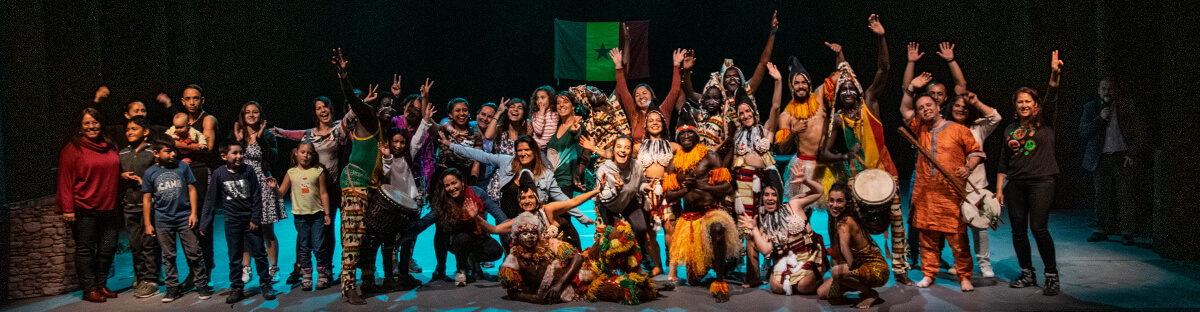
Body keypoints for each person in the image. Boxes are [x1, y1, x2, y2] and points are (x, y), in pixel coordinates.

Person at [818, 14, 912, 285]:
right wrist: (845, 155)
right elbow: (824, 154)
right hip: (855, 178)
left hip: (886, 172)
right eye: (842, 90)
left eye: (851, 88)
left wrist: (881, 37)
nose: (847, 91)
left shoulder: (870, 102)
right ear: (837, 96)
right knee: (854, 224)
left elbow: (883, 70)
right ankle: (860, 265)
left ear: (859, 91)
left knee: (896, 222)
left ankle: (901, 269)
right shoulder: (838, 119)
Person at [900, 88, 985, 291]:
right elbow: (904, 109)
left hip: (951, 194)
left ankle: (965, 276)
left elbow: (976, 152)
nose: (925, 109)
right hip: (925, 194)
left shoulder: (958, 130)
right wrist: (910, 88)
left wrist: (968, 167)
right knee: (927, 239)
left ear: (939, 107)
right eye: (921, 108)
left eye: (929, 105)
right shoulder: (920, 129)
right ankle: (929, 274)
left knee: (958, 239)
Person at [445, 134, 595, 249]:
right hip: (507, 217)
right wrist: (451, 146)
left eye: (527, 150)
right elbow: (481, 155)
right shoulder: (506, 162)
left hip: (531, 220)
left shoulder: (546, 175)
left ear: (534, 151)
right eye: (519, 151)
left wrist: (582, 217)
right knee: (510, 250)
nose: (523, 153)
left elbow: (563, 199)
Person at [997, 50, 1065, 296]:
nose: (1024, 105)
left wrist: (1054, 75)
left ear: (1036, 107)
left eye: (1028, 102)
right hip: (1015, 184)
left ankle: (1051, 275)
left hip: (1041, 182)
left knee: (1038, 228)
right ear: (1015, 106)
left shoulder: (1045, 124)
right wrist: (999, 191)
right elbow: (1003, 162)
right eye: (1020, 102)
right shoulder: (1010, 129)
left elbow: (1053, 97)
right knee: (1017, 230)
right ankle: (1027, 273)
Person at [270, 95, 348, 285]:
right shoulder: (309, 134)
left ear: (331, 108)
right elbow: (294, 134)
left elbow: (352, 116)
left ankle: (327, 268)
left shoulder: (339, 130)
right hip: (310, 189)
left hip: (332, 188)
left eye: (326, 106)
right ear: (315, 113)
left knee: (327, 230)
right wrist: (281, 132)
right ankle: (300, 267)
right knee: (304, 230)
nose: (323, 110)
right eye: (318, 108)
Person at [662, 118, 738, 302]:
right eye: (682, 133)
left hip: (710, 211)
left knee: (717, 229)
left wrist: (700, 186)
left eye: (690, 133)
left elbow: (728, 189)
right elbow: (669, 197)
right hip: (689, 218)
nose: (686, 135)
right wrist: (685, 189)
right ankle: (713, 261)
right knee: (693, 280)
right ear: (678, 137)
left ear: (697, 136)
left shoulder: (710, 156)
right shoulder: (673, 163)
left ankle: (720, 282)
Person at [330, 48, 385, 304]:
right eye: (381, 105)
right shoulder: (365, 115)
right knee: (353, 236)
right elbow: (352, 99)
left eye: (389, 105)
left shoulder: (379, 125)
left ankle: (368, 280)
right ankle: (348, 285)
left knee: (369, 236)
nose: (386, 108)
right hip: (355, 182)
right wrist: (344, 76)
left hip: (370, 185)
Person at [725, 62, 786, 287]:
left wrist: (778, 81)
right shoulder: (737, 136)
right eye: (741, 113)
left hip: (764, 185)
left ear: (753, 112)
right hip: (742, 188)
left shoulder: (765, 130)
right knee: (748, 230)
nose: (745, 115)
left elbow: (776, 106)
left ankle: (776, 271)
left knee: (768, 227)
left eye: (748, 111)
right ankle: (752, 277)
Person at [57, 108, 122, 303]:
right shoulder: (72, 149)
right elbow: (65, 180)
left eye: (95, 122)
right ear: (79, 128)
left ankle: (101, 284)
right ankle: (89, 288)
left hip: (110, 207)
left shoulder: (110, 146)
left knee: (108, 248)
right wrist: (67, 208)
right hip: (85, 208)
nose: (92, 126)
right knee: (85, 249)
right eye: (87, 123)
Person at [200, 142, 274, 303]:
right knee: (234, 256)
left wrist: (255, 218)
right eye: (234, 153)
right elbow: (211, 198)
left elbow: (256, 195)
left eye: (241, 153)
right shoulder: (219, 173)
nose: (239, 156)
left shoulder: (248, 170)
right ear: (224, 156)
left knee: (260, 254)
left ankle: (266, 284)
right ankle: (237, 287)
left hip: (250, 221)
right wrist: (204, 222)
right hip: (232, 221)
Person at [141, 138, 208, 302]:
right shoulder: (150, 173)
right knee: (168, 255)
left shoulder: (183, 167)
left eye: (174, 150)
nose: (172, 154)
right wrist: (148, 223)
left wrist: (193, 213)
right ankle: (172, 287)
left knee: (194, 252)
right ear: (156, 153)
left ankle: (201, 284)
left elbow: (192, 189)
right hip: (163, 220)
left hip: (184, 216)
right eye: (168, 151)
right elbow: (147, 199)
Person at [1080, 77, 1145, 245]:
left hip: (1121, 155)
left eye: (1110, 88)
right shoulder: (1091, 107)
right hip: (1100, 157)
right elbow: (1083, 131)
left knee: (1125, 195)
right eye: (1103, 89)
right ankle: (1101, 229)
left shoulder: (1128, 107)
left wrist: (1133, 153)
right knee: (1100, 196)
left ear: (1116, 90)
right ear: (1098, 91)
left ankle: (1127, 231)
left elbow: (1139, 132)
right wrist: (1100, 119)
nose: (1107, 92)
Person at [415, 169, 507, 287]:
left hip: (477, 237)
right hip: (456, 240)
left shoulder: (477, 193)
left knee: (495, 251)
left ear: (462, 182)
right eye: (447, 185)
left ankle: (472, 259)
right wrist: (407, 234)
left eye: (454, 183)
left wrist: (510, 227)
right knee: (463, 238)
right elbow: (427, 220)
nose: (451, 188)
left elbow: (496, 211)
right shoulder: (445, 201)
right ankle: (461, 268)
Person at [741, 169, 826, 295]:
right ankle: (796, 280)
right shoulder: (767, 222)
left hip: (809, 255)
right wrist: (754, 229)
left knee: (803, 287)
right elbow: (766, 250)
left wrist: (806, 181)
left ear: (779, 195)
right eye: (766, 194)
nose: (770, 198)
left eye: (774, 194)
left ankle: (815, 276)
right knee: (777, 288)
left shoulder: (794, 204)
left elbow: (819, 192)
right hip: (788, 260)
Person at [231, 101, 285, 283]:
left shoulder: (267, 135)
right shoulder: (238, 134)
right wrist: (237, 142)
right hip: (242, 185)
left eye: (255, 112)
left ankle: (273, 268)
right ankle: (246, 268)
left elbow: (274, 158)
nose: (251, 115)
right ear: (243, 115)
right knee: (246, 229)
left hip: (263, 183)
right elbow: (227, 157)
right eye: (248, 112)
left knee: (267, 229)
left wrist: (261, 139)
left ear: (260, 115)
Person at [269, 143, 331, 291]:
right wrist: (274, 188)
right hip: (300, 217)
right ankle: (306, 275)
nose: (306, 155)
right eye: (302, 152)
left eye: (309, 153)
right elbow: (281, 193)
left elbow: (323, 193)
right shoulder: (291, 172)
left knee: (318, 246)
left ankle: (322, 274)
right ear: (296, 153)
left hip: (317, 215)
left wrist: (327, 213)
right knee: (304, 246)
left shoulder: (318, 171)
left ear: (313, 155)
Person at [595, 136, 661, 275]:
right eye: (619, 146)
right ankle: (612, 268)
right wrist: (617, 190)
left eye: (627, 147)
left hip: (628, 201)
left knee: (641, 228)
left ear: (631, 152)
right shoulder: (604, 170)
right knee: (616, 236)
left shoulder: (636, 166)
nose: (622, 150)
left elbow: (639, 184)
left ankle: (641, 256)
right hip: (608, 205)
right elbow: (604, 198)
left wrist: (645, 187)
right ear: (613, 150)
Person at [818, 183, 889, 309]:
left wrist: (849, 270)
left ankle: (871, 293)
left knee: (836, 272)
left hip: (875, 269)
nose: (834, 205)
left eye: (839, 201)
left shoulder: (845, 222)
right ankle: (854, 283)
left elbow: (844, 246)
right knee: (823, 293)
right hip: (859, 266)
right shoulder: (838, 219)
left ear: (847, 203)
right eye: (832, 201)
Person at [117, 116, 163, 299]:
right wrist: (122, 176)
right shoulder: (123, 153)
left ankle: (151, 279)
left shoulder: (152, 152)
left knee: (149, 244)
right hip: (129, 205)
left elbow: (160, 176)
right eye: (128, 129)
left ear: (145, 132)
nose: (129, 132)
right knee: (135, 245)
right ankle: (141, 276)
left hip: (148, 206)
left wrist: (144, 182)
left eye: (134, 129)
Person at [494, 212, 584, 304]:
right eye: (525, 233)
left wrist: (560, 284)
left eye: (533, 233)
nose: (531, 237)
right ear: (517, 237)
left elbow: (577, 257)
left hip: (568, 286)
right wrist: (534, 298)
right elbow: (512, 292)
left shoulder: (550, 244)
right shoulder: (513, 259)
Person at [637, 108, 680, 281]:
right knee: (649, 233)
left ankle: (673, 270)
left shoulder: (673, 146)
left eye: (658, 120)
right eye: (651, 120)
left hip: (667, 190)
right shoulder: (637, 147)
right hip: (646, 190)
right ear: (646, 125)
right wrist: (594, 148)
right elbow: (616, 155)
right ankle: (658, 266)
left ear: (663, 124)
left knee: (671, 229)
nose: (654, 123)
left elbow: (694, 154)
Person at [610, 47, 686, 143]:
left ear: (652, 96)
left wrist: (676, 65)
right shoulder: (634, 114)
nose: (641, 96)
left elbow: (675, 90)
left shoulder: (663, 111)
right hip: (638, 156)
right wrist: (618, 66)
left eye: (645, 93)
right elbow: (623, 90)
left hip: (661, 154)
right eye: (637, 95)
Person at [529, 86, 559, 150]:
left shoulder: (556, 114)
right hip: (536, 147)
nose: (539, 101)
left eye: (543, 98)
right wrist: (541, 113)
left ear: (550, 99)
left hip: (549, 148)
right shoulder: (535, 115)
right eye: (537, 98)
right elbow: (538, 131)